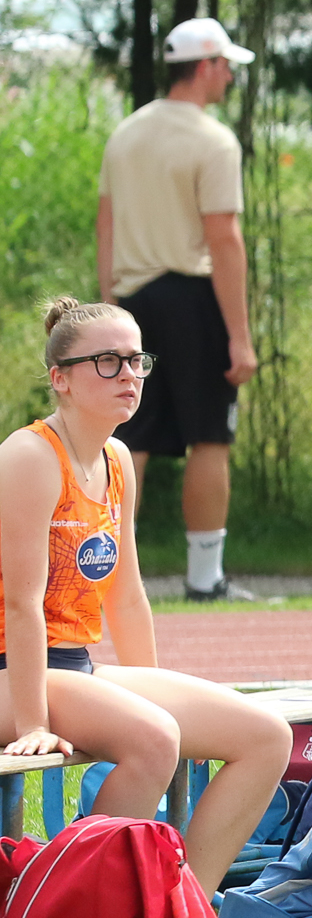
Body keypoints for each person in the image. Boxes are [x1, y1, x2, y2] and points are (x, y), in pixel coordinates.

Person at [0, 298, 292, 885]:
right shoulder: (29, 456)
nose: (129, 375)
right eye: (107, 362)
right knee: (155, 738)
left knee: (266, 736)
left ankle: (183, 913)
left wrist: (157, 692)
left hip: (73, 668)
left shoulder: (115, 459)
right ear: (60, 379)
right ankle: (71, 907)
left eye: (136, 360)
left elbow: (127, 596)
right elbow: (20, 604)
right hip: (13, 674)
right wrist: (32, 724)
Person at [97, 14, 259, 602]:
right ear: (208, 65)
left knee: (128, 439)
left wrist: (109, 309)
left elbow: (106, 224)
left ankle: (104, 574)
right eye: (227, 67)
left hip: (133, 300)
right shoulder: (213, 140)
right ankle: (204, 578)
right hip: (194, 300)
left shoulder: (126, 133)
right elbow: (224, 239)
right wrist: (239, 335)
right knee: (209, 437)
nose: (230, 77)